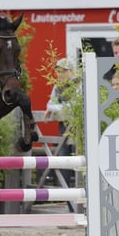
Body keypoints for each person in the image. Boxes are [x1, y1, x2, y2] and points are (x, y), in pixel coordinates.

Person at [43, 58, 78, 186]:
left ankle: (80, 195)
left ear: (71, 72)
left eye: (64, 71)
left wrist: (55, 108)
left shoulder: (78, 84)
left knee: (78, 159)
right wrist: (57, 108)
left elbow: (72, 108)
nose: (60, 74)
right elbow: (51, 103)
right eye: (59, 71)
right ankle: (66, 194)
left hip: (78, 127)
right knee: (64, 159)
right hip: (64, 126)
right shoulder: (57, 87)